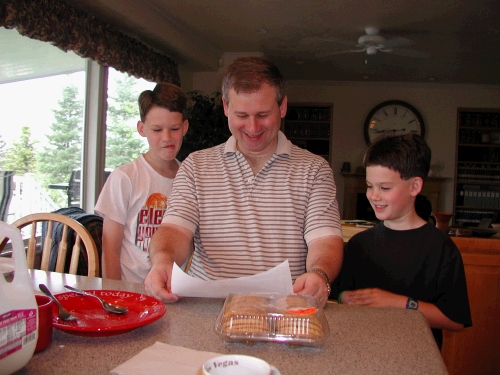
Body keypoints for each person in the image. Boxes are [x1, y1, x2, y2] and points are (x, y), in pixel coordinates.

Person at [144, 56, 344, 307]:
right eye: (241, 115)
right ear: (226, 107)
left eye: (262, 114)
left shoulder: (314, 170)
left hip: (284, 311)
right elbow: (175, 230)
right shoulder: (196, 166)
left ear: (282, 107)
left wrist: (319, 274)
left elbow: (325, 240)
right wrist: (163, 261)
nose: (252, 127)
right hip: (208, 308)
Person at [334, 133, 472, 348]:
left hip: (417, 354)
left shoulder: (441, 248)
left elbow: (455, 320)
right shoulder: (358, 244)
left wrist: (399, 303)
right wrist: (345, 298)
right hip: (362, 349)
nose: (373, 196)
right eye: (370, 186)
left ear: (415, 186)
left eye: (385, 188)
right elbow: (339, 292)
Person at [95, 83, 188, 283]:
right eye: (157, 129)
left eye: (174, 129)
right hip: (133, 290)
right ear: (141, 128)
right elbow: (110, 247)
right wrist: (115, 294)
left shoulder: (189, 177)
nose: (167, 138)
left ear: (185, 127)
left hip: (177, 291)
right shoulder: (125, 177)